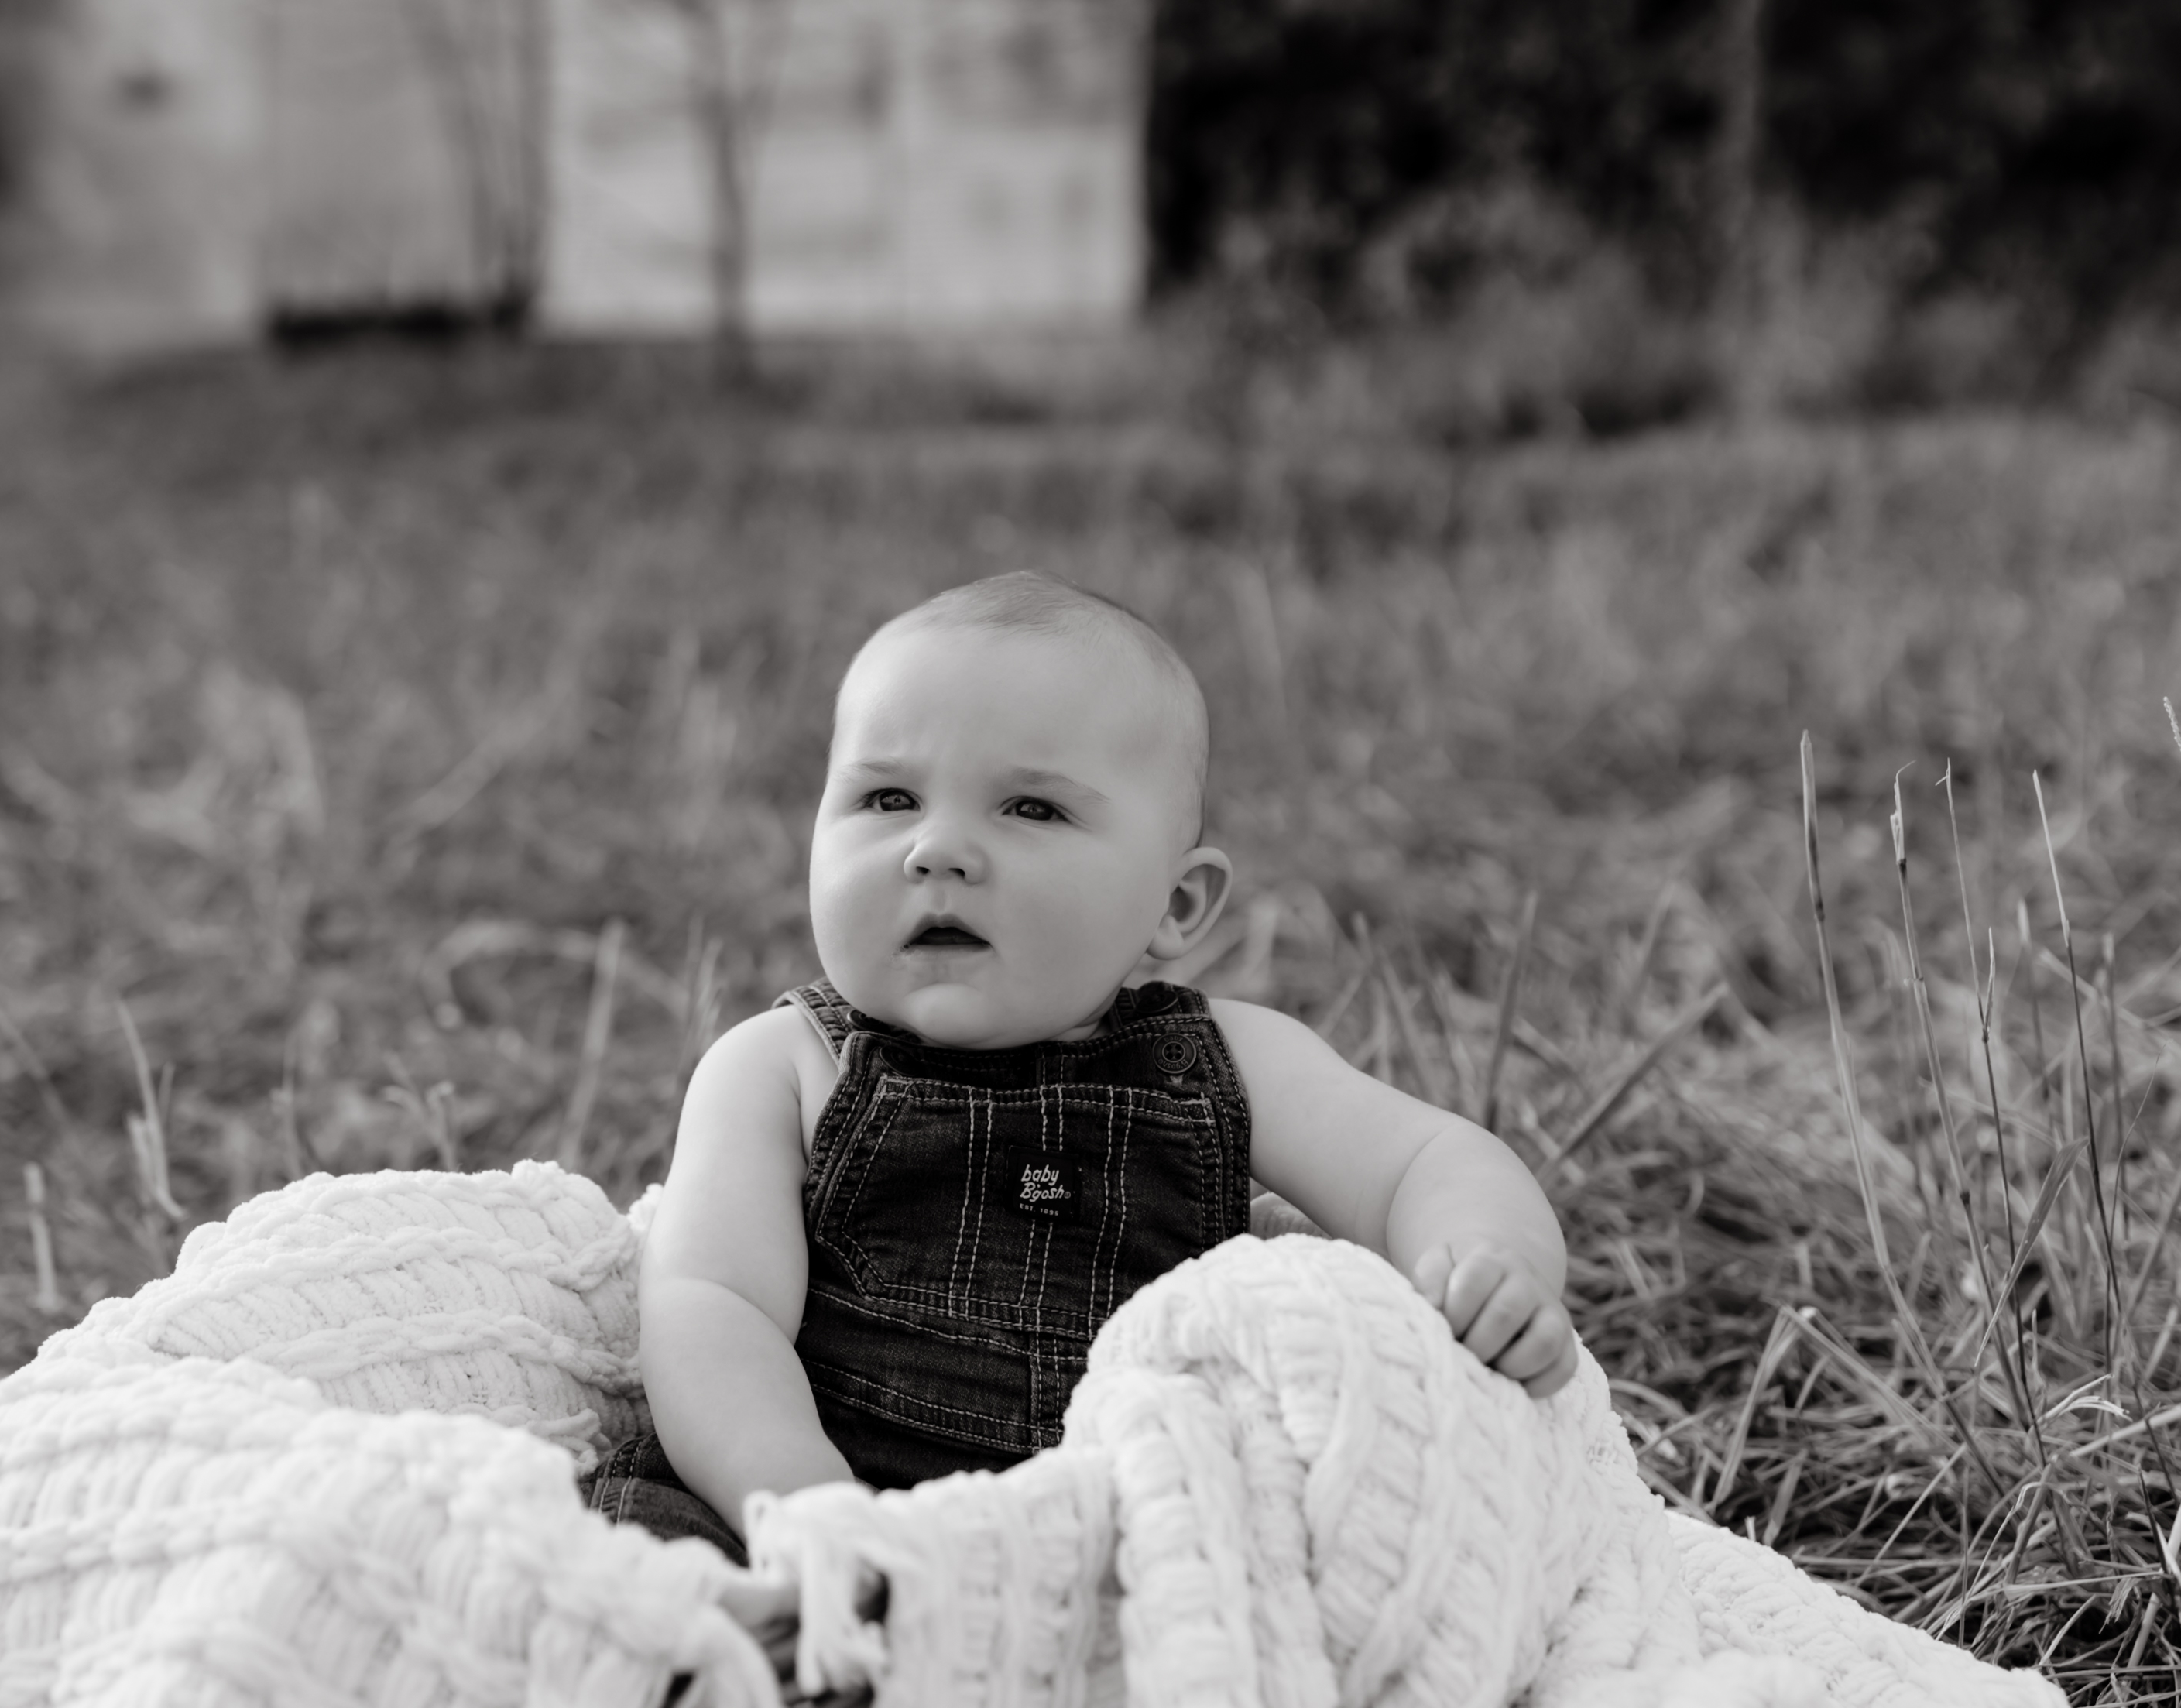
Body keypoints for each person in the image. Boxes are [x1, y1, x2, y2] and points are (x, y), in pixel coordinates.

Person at [585, 571, 1578, 1559]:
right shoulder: (784, 1066)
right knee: (646, 1580)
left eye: (1030, 809)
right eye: (889, 797)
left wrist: (1490, 1259)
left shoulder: (1226, 1064)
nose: (938, 849)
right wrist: (799, 1499)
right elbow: (712, 1305)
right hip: (803, 1504)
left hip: (1132, 1533)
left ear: (1175, 905)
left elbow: (1423, 1161)